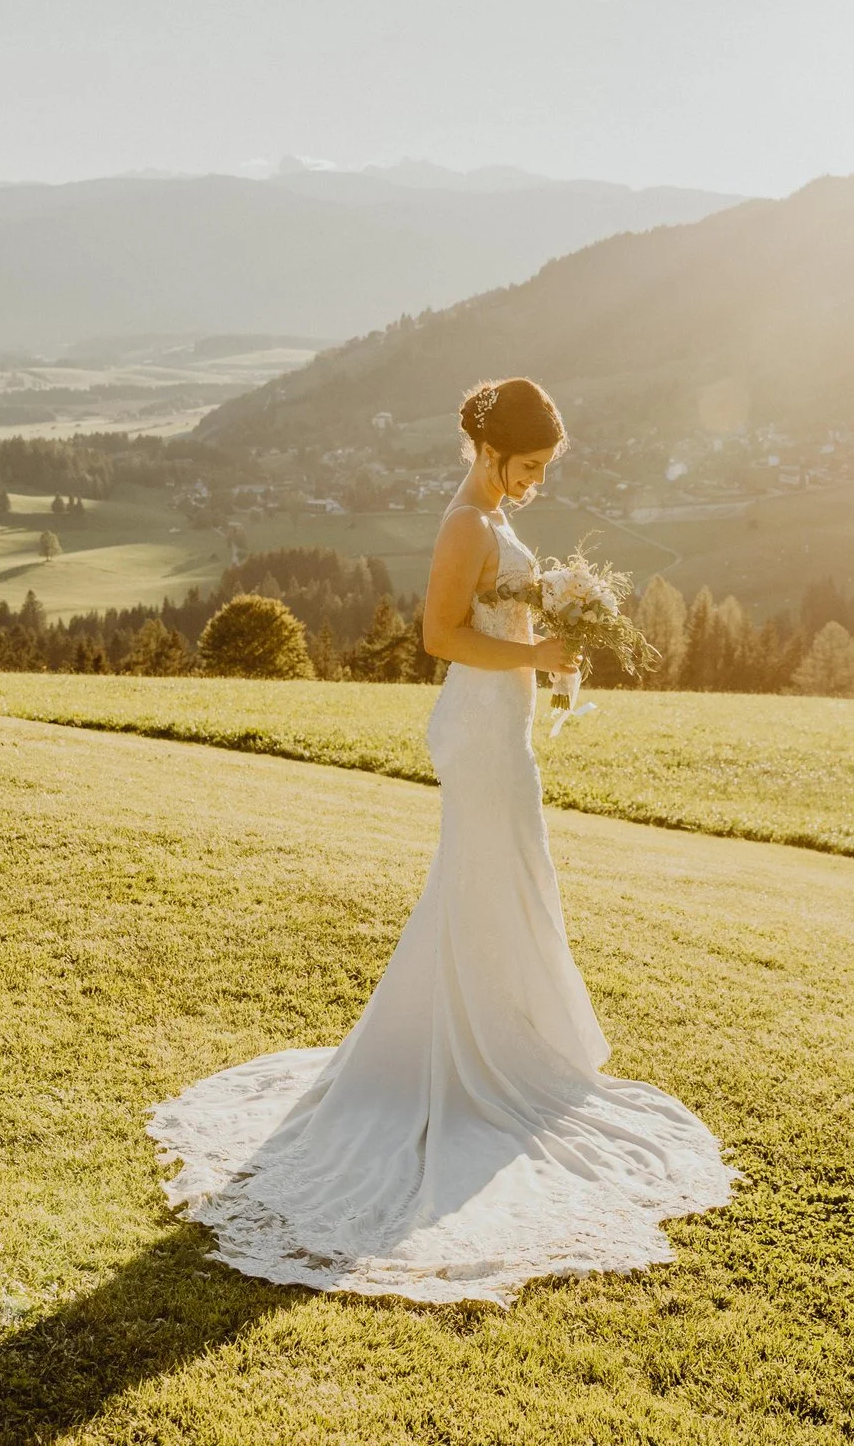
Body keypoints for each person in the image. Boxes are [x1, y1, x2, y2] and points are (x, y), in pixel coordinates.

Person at [148, 377, 736, 1305]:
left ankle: (508, 1038)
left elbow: (495, 618)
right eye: (530, 465)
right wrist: (538, 652)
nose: (538, 482)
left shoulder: (494, 516)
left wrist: (549, 628)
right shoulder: (467, 521)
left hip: (502, 725)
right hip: (474, 727)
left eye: (547, 468)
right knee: (483, 883)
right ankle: (461, 1063)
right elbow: (439, 634)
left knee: (509, 881)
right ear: (491, 451)